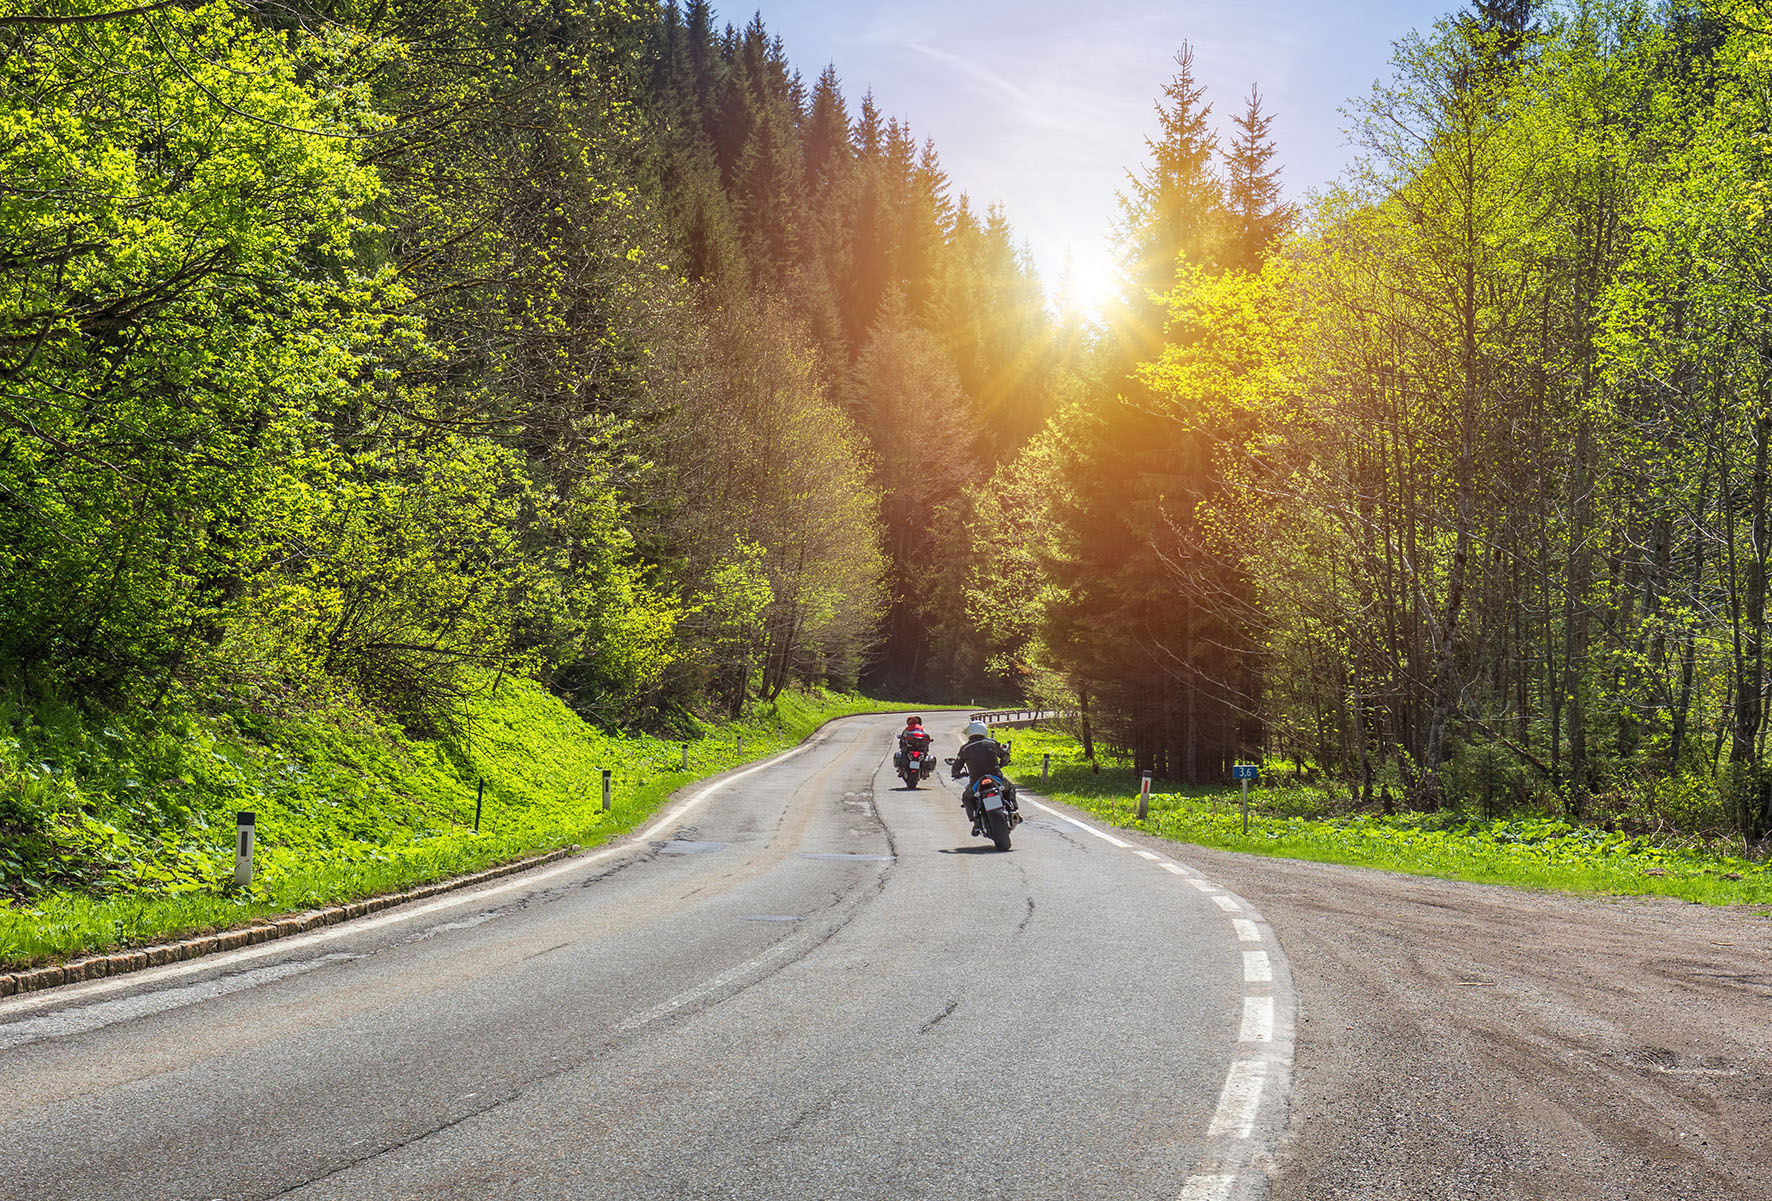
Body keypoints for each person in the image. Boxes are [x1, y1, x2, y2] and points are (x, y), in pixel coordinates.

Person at [950, 719, 1015, 833]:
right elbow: (1005, 755)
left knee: (967, 797)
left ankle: (975, 822)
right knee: (1010, 788)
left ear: (970, 732)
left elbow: (957, 765)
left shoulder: (965, 748)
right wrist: (1003, 763)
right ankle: (1014, 811)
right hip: (995, 777)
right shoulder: (992, 743)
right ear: (984, 730)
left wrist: (956, 773)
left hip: (976, 781)